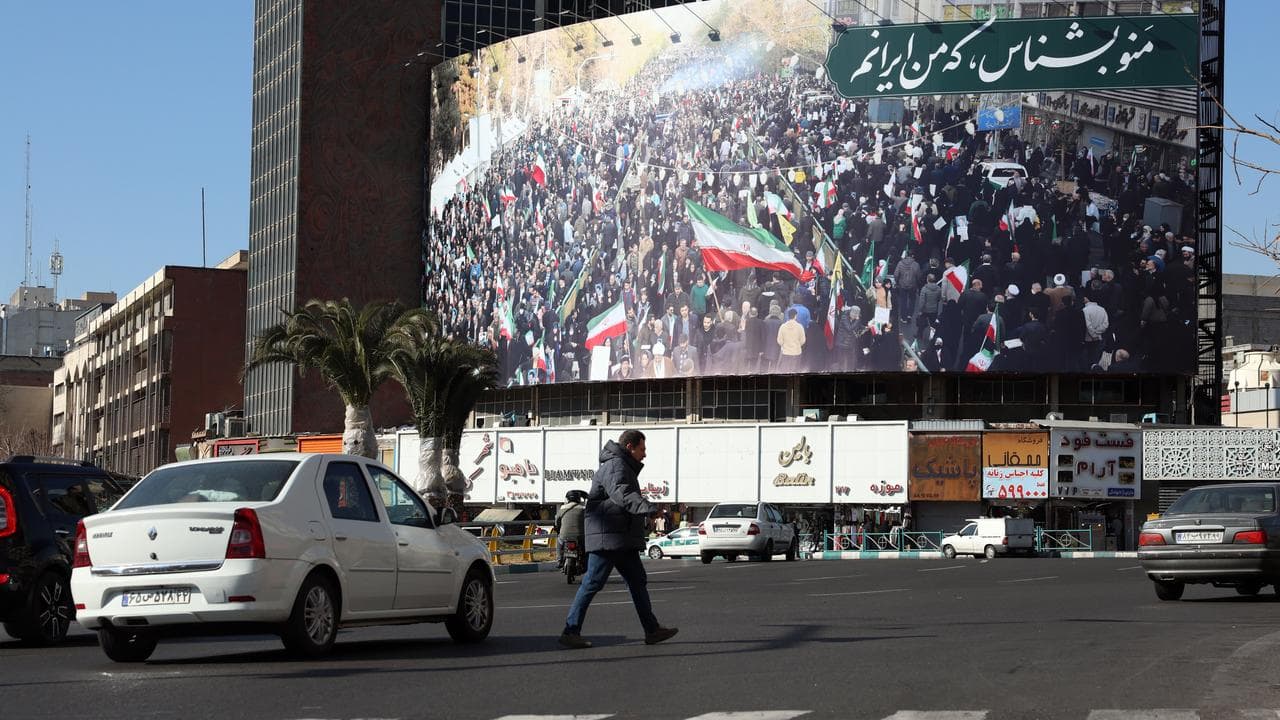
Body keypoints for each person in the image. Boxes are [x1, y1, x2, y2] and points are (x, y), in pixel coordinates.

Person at [559, 430, 678, 649]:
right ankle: (570, 630)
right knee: (592, 582)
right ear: (630, 447)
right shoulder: (616, 465)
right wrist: (650, 510)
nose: (645, 455)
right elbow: (622, 494)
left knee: (637, 580)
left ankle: (652, 630)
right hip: (609, 536)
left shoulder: (622, 466)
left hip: (621, 537)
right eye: (642, 449)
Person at [554, 490, 588, 569]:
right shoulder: (583, 509)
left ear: (567, 499)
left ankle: (559, 560)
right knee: (585, 548)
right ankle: (586, 563)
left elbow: (557, 521)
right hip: (580, 536)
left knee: (559, 542)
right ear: (578, 499)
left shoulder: (562, 508)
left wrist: (558, 529)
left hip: (564, 535)